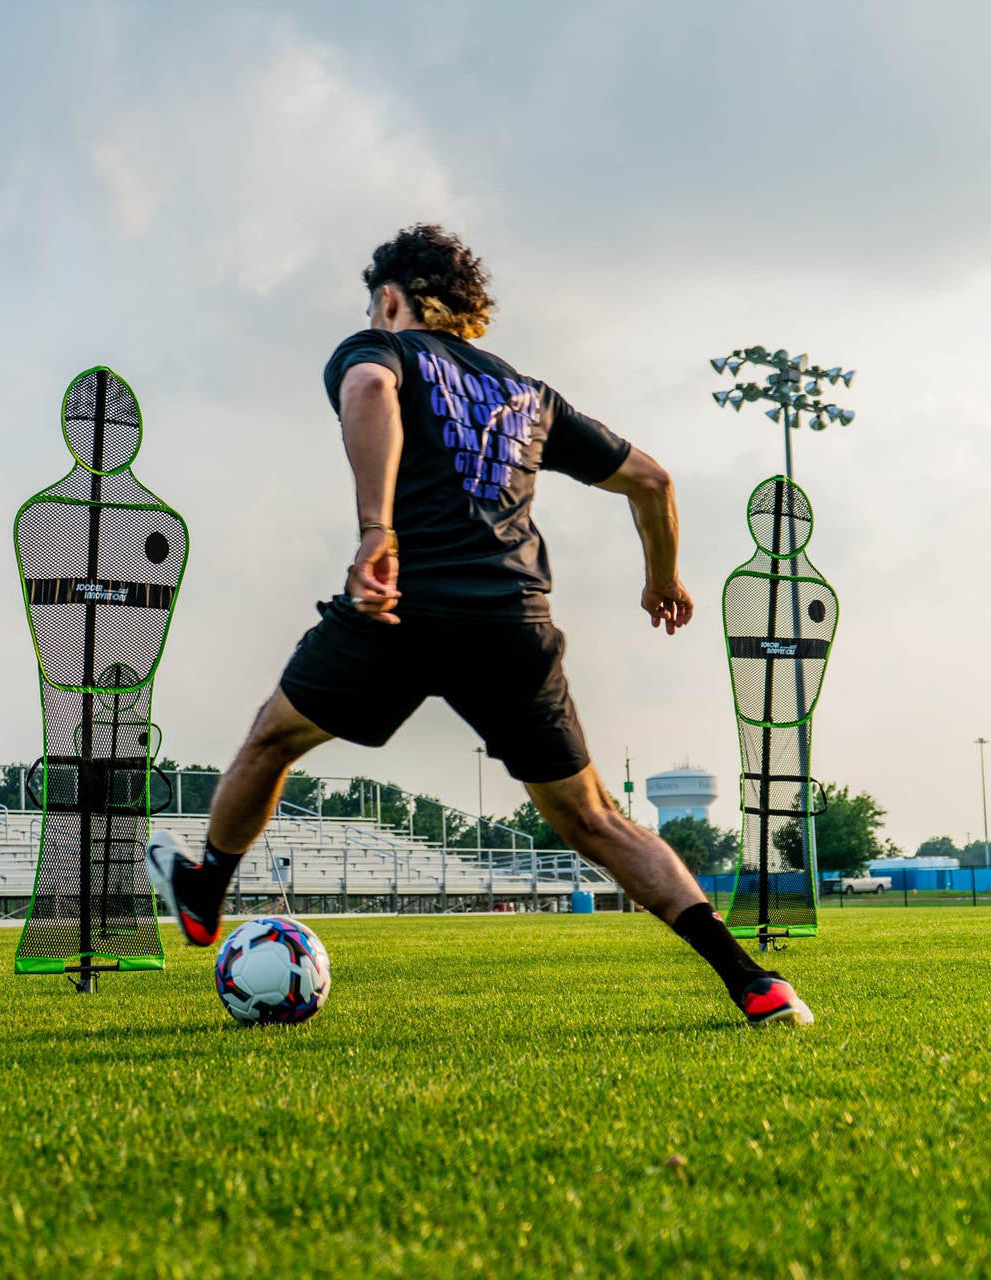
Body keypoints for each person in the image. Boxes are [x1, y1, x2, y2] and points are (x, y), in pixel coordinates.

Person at [148, 224, 812, 1027]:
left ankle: (204, 889)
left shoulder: (381, 349)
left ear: (390, 299)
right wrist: (662, 577)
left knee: (271, 741)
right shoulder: (529, 394)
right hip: (513, 619)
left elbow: (367, 392)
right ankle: (753, 982)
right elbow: (652, 479)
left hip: (400, 608)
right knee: (594, 818)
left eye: (376, 306)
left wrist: (374, 531)